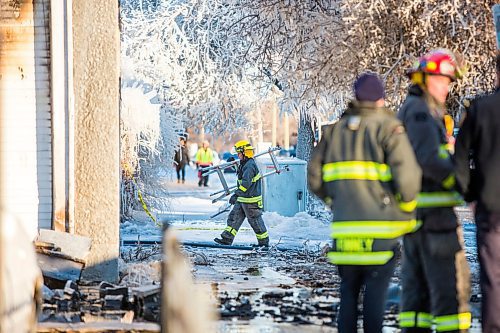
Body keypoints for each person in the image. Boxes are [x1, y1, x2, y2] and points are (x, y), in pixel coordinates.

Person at [308, 72, 421, 333]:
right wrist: (404, 208)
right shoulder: (389, 128)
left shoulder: (334, 131)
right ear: (381, 99)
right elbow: (408, 178)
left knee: (348, 294)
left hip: (345, 231)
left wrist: (333, 201)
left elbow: (314, 177)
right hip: (380, 232)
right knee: (375, 297)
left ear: (356, 97)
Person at [397, 49, 471, 332]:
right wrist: (462, 181)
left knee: (417, 294)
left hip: (419, 218)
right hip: (435, 221)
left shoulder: (414, 108)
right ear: (425, 78)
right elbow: (430, 160)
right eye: (443, 80)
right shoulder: (419, 112)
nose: (447, 87)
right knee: (450, 289)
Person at [455, 54, 500, 333]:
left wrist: (470, 194)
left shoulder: (481, 109)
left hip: (491, 205)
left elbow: (460, 158)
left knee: (493, 277)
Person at [214, 140, 269, 247]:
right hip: (244, 198)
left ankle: (264, 243)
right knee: (234, 217)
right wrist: (234, 163)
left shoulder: (250, 165)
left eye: (239, 154)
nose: (238, 155)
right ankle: (227, 238)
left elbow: (245, 183)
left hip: (250, 200)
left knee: (255, 221)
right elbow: (242, 175)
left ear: (245, 153)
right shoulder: (245, 163)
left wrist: (236, 194)